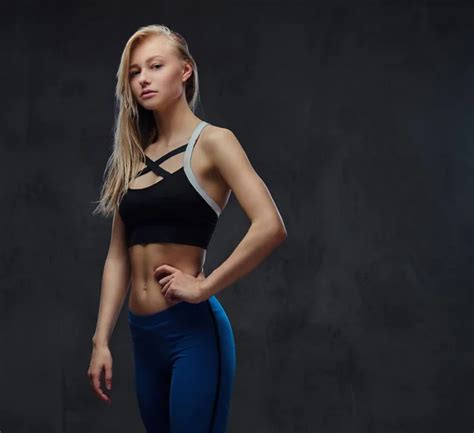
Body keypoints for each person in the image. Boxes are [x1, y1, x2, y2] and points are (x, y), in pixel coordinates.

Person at [87, 24, 287, 433]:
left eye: (156, 66)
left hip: (191, 335)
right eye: (135, 71)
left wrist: (204, 286)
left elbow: (271, 226)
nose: (143, 78)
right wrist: (100, 340)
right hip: (143, 336)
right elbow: (117, 256)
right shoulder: (133, 158)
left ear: (185, 71)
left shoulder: (214, 142)